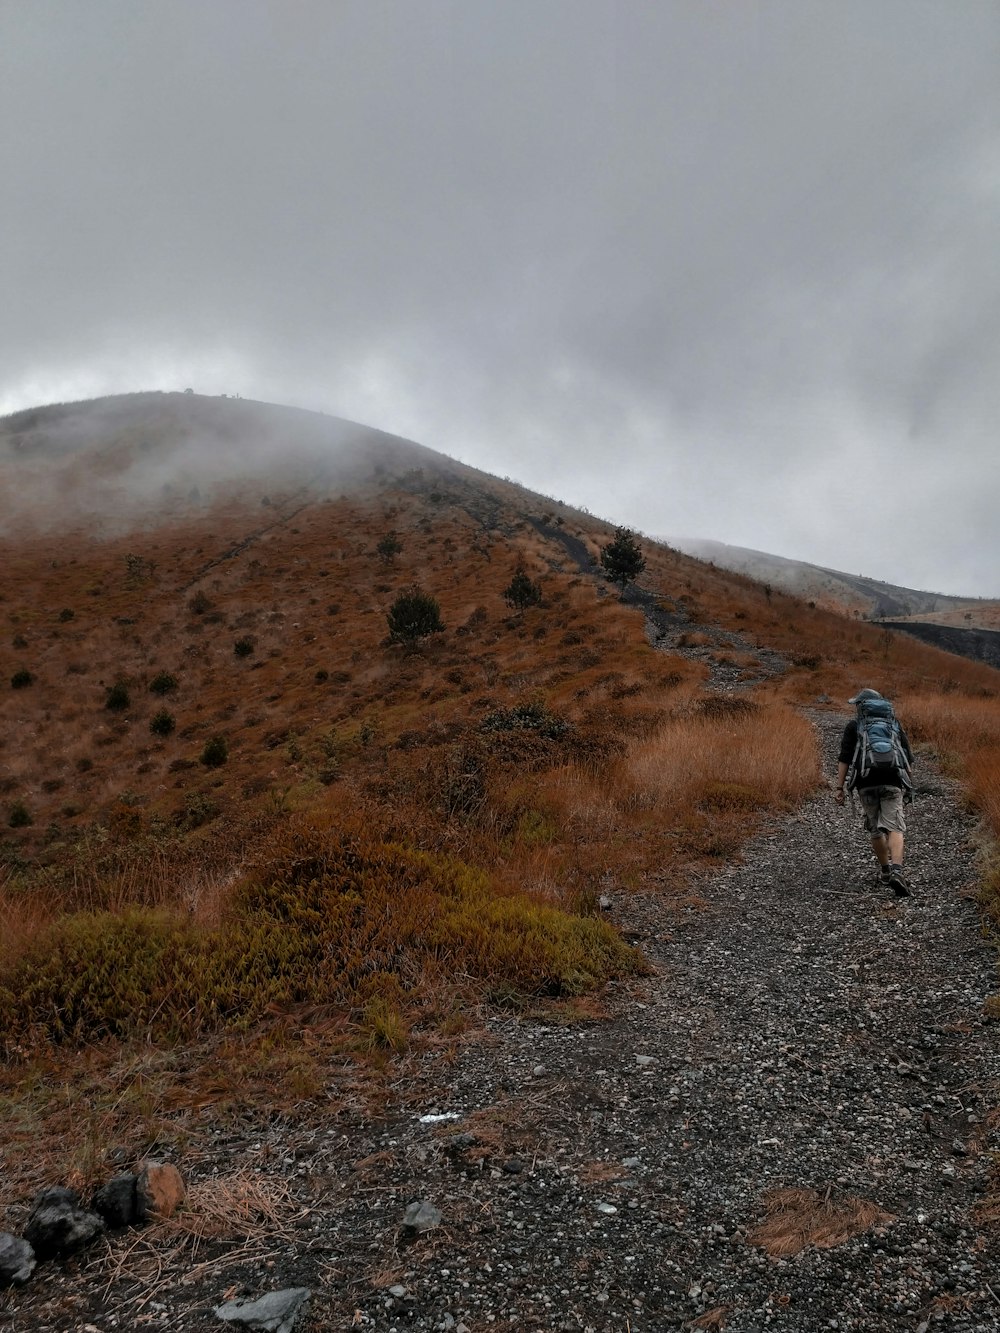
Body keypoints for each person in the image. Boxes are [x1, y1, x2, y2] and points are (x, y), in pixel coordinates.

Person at [834, 688, 915, 897]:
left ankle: (886, 871)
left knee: (876, 829)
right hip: (892, 780)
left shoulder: (854, 726)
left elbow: (844, 758)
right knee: (895, 826)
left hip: (865, 782)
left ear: (862, 707)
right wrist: (909, 784)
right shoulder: (893, 724)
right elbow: (907, 758)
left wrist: (839, 787)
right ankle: (898, 870)